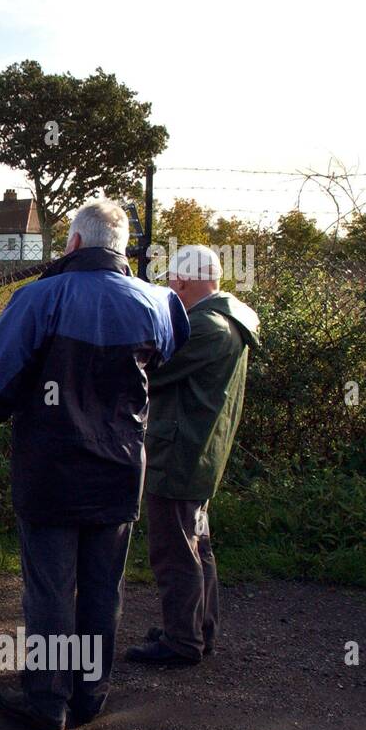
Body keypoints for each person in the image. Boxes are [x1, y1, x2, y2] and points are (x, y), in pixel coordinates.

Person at [0, 198, 189, 730]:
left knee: (49, 589)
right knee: (101, 587)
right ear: (121, 248)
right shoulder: (159, 304)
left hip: (50, 472)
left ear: (73, 243)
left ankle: (47, 700)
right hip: (119, 470)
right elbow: (165, 355)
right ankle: (91, 695)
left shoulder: (39, 299)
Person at [125, 245, 260, 665]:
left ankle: (181, 641)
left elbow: (150, 374)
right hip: (202, 452)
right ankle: (199, 628)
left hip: (179, 454)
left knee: (174, 550)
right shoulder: (234, 319)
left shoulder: (205, 328)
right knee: (197, 544)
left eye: (172, 281)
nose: (170, 288)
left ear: (183, 281)